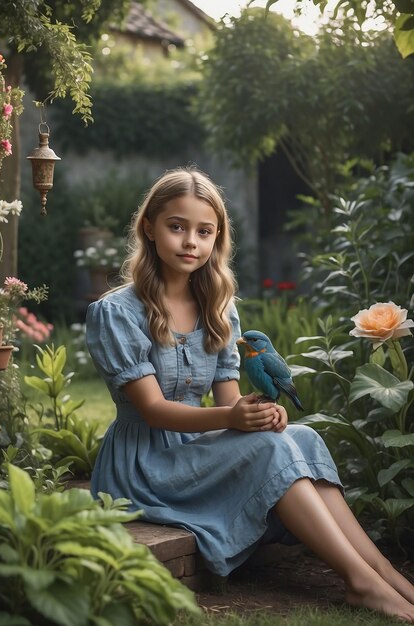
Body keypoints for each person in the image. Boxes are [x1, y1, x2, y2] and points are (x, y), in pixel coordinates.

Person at [86, 167, 414, 622]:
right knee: (269, 450)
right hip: (144, 463)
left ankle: (380, 570)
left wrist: (260, 414)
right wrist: (235, 421)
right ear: (149, 227)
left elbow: (228, 404)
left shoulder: (219, 308)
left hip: (194, 450)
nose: (190, 242)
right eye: (176, 226)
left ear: (217, 238)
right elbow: (153, 410)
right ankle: (360, 583)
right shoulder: (116, 313)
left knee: (301, 437)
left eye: (204, 231)